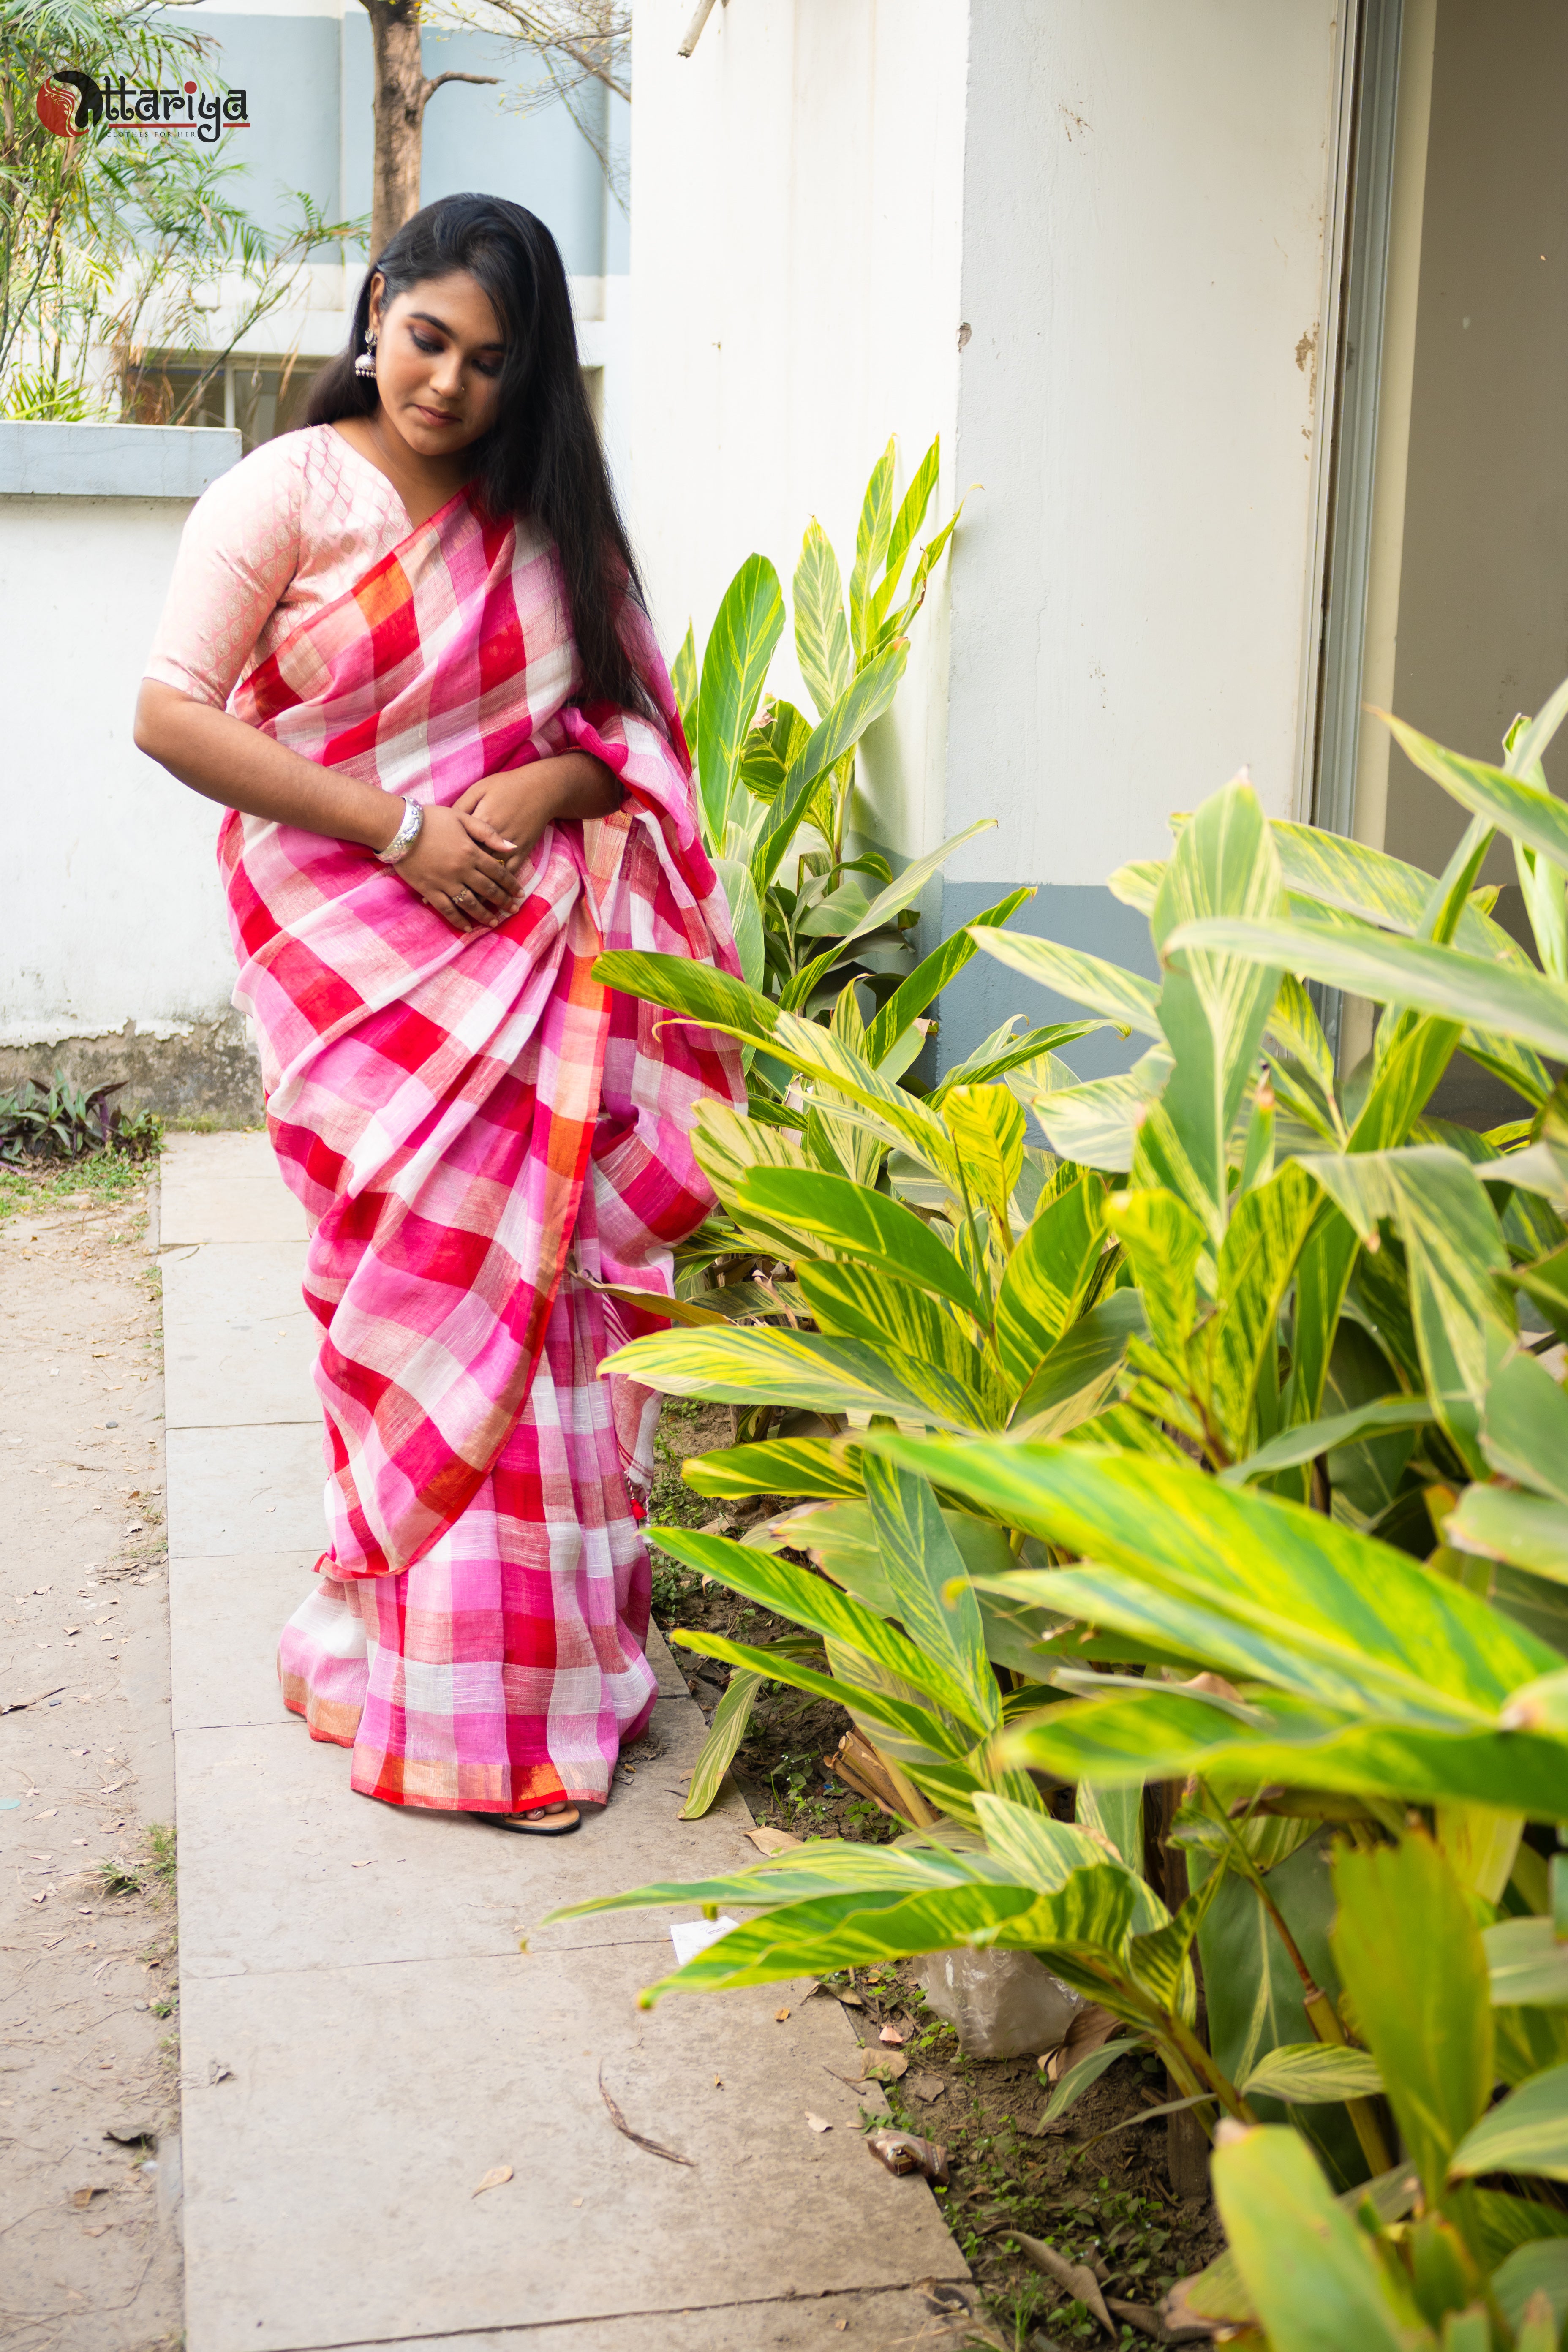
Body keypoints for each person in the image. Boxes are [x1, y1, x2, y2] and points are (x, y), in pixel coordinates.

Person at [136, 194, 743, 1834]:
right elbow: (170, 715)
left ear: (527, 371)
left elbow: (617, 734)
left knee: (540, 1303)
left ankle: (537, 1691)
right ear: (378, 307)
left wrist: (524, 800)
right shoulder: (285, 491)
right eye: (427, 339)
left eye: (490, 360)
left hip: (522, 936)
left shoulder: (544, 517)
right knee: (408, 1298)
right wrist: (405, 832)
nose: (448, 385)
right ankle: (401, 1662)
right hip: (345, 952)